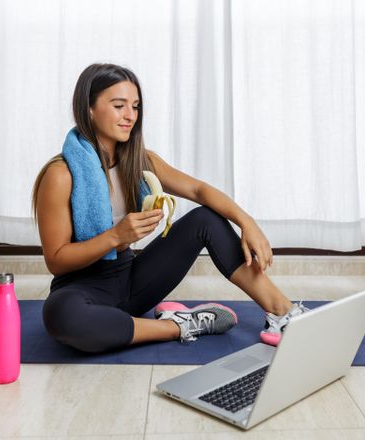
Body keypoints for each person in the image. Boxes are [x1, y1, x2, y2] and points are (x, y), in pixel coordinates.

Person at [31, 63, 304, 353]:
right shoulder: (61, 174)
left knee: (206, 219)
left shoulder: (140, 161)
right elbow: (56, 260)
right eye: (118, 105)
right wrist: (116, 236)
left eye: (135, 107)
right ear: (89, 108)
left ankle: (284, 313)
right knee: (60, 316)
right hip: (82, 288)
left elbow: (198, 190)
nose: (130, 116)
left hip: (132, 281)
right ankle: (183, 324)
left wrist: (248, 223)